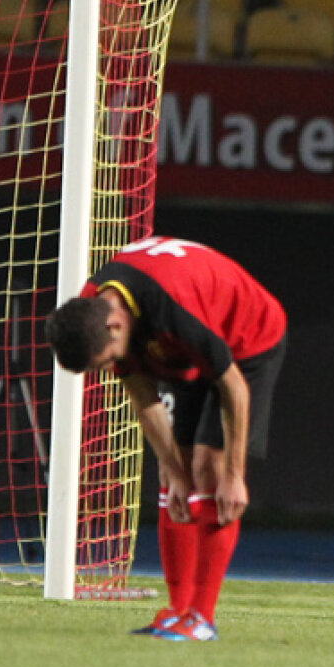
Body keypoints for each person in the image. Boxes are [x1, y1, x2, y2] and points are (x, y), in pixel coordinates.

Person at [44, 236, 287, 641]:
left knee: (209, 470)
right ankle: (175, 612)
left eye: (106, 362)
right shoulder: (94, 310)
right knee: (176, 476)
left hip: (248, 340)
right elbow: (143, 397)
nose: (109, 370)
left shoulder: (170, 306)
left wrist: (234, 474)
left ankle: (202, 619)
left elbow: (233, 386)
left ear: (116, 326)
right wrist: (171, 470)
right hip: (184, 349)